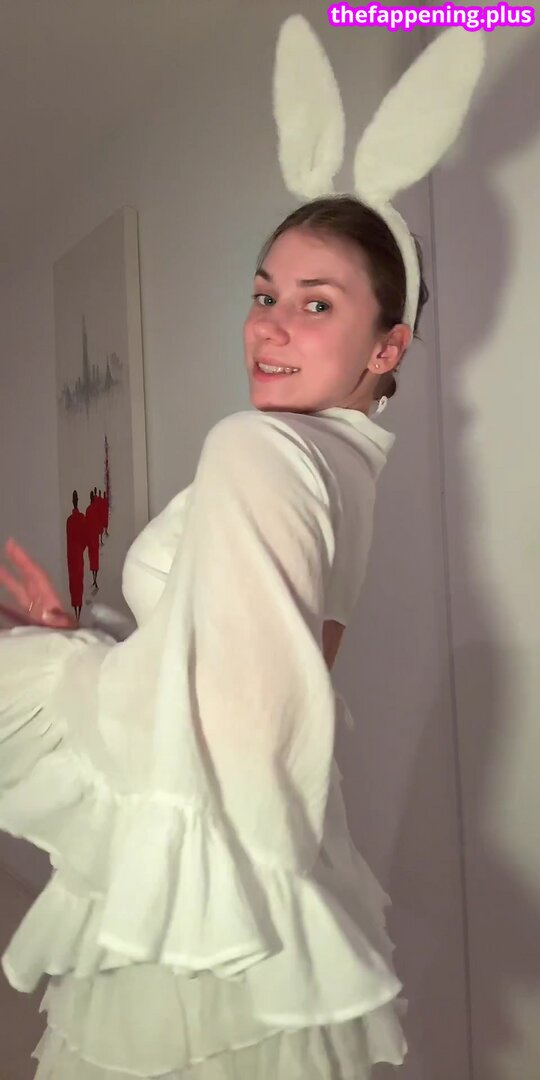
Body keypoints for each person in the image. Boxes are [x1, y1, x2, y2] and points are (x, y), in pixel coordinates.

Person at [0, 17, 484, 1080]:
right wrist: (86, 634)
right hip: (259, 862)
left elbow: (239, 720)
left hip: (204, 879)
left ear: (388, 345)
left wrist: (64, 668)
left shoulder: (259, 447)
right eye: (264, 294)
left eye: (317, 304)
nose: (269, 326)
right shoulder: (345, 464)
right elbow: (282, 662)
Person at [65, 489, 87, 622]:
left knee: (74, 583)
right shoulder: (81, 518)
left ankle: (76, 611)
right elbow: (84, 538)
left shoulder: (69, 520)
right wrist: (81, 548)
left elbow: (68, 540)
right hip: (77, 554)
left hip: (72, 556)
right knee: (78, 581)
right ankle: (78, 612)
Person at [85, 490, 100, 590]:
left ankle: (94, 578)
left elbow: (86, 524)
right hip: (94, 536)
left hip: (90, 537)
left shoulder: (88, 509)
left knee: (92, 558)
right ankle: (95, 578)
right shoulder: (95, 510)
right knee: (95, 558)